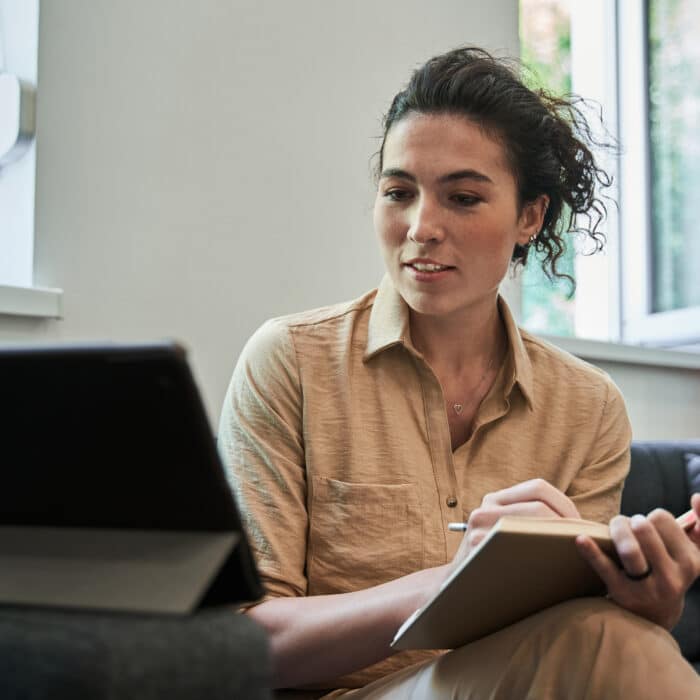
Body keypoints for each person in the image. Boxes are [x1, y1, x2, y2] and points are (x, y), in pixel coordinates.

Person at [218, 47, 700, 699]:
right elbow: (245, 646)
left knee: (614, 636)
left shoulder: (589, 408)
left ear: (530, 216)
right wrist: (452, 579)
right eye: (398, 193)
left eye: (463, 197)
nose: (421, 228)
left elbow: (576, 628)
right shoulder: (290, 362)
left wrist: (652, 600)